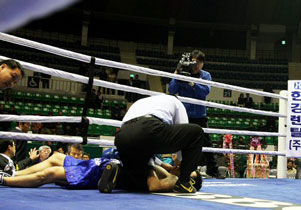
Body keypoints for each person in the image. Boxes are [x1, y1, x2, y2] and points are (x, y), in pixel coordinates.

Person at [109, 95, 204, 193]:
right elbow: (185, 135)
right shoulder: (176, 102)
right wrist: (179, 163)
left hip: (122, 137)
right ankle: (184, 182)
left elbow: (143, 141)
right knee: (196, 132)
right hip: (148, 130)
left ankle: (118, 174)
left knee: (139, 182)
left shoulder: (145, 101)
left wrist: (164, 165)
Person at [0, 151, 202, 193]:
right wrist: (171, 166)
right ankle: (17, 173)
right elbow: (154, 163)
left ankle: (4, 181)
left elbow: (154, 181)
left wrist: (177, 176)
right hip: (103, 162)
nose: (185, 171)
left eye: (189, 175)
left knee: (51, 173)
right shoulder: (166, 169)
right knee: (54, 157)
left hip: (98, 172)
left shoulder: (169, 179)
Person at [168, 50, 223, 179]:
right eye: (194, 61)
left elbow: (204, 92)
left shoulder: (205, 76)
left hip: (199, 115)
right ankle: (180, 168)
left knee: (207, 143)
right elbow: (172, 90)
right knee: (181, 143)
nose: (196, 65)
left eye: (199, 62)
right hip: (184, 114)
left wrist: (191, 82)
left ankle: (213, 170)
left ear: (202, 63)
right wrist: (177, 73)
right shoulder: (182, 73)